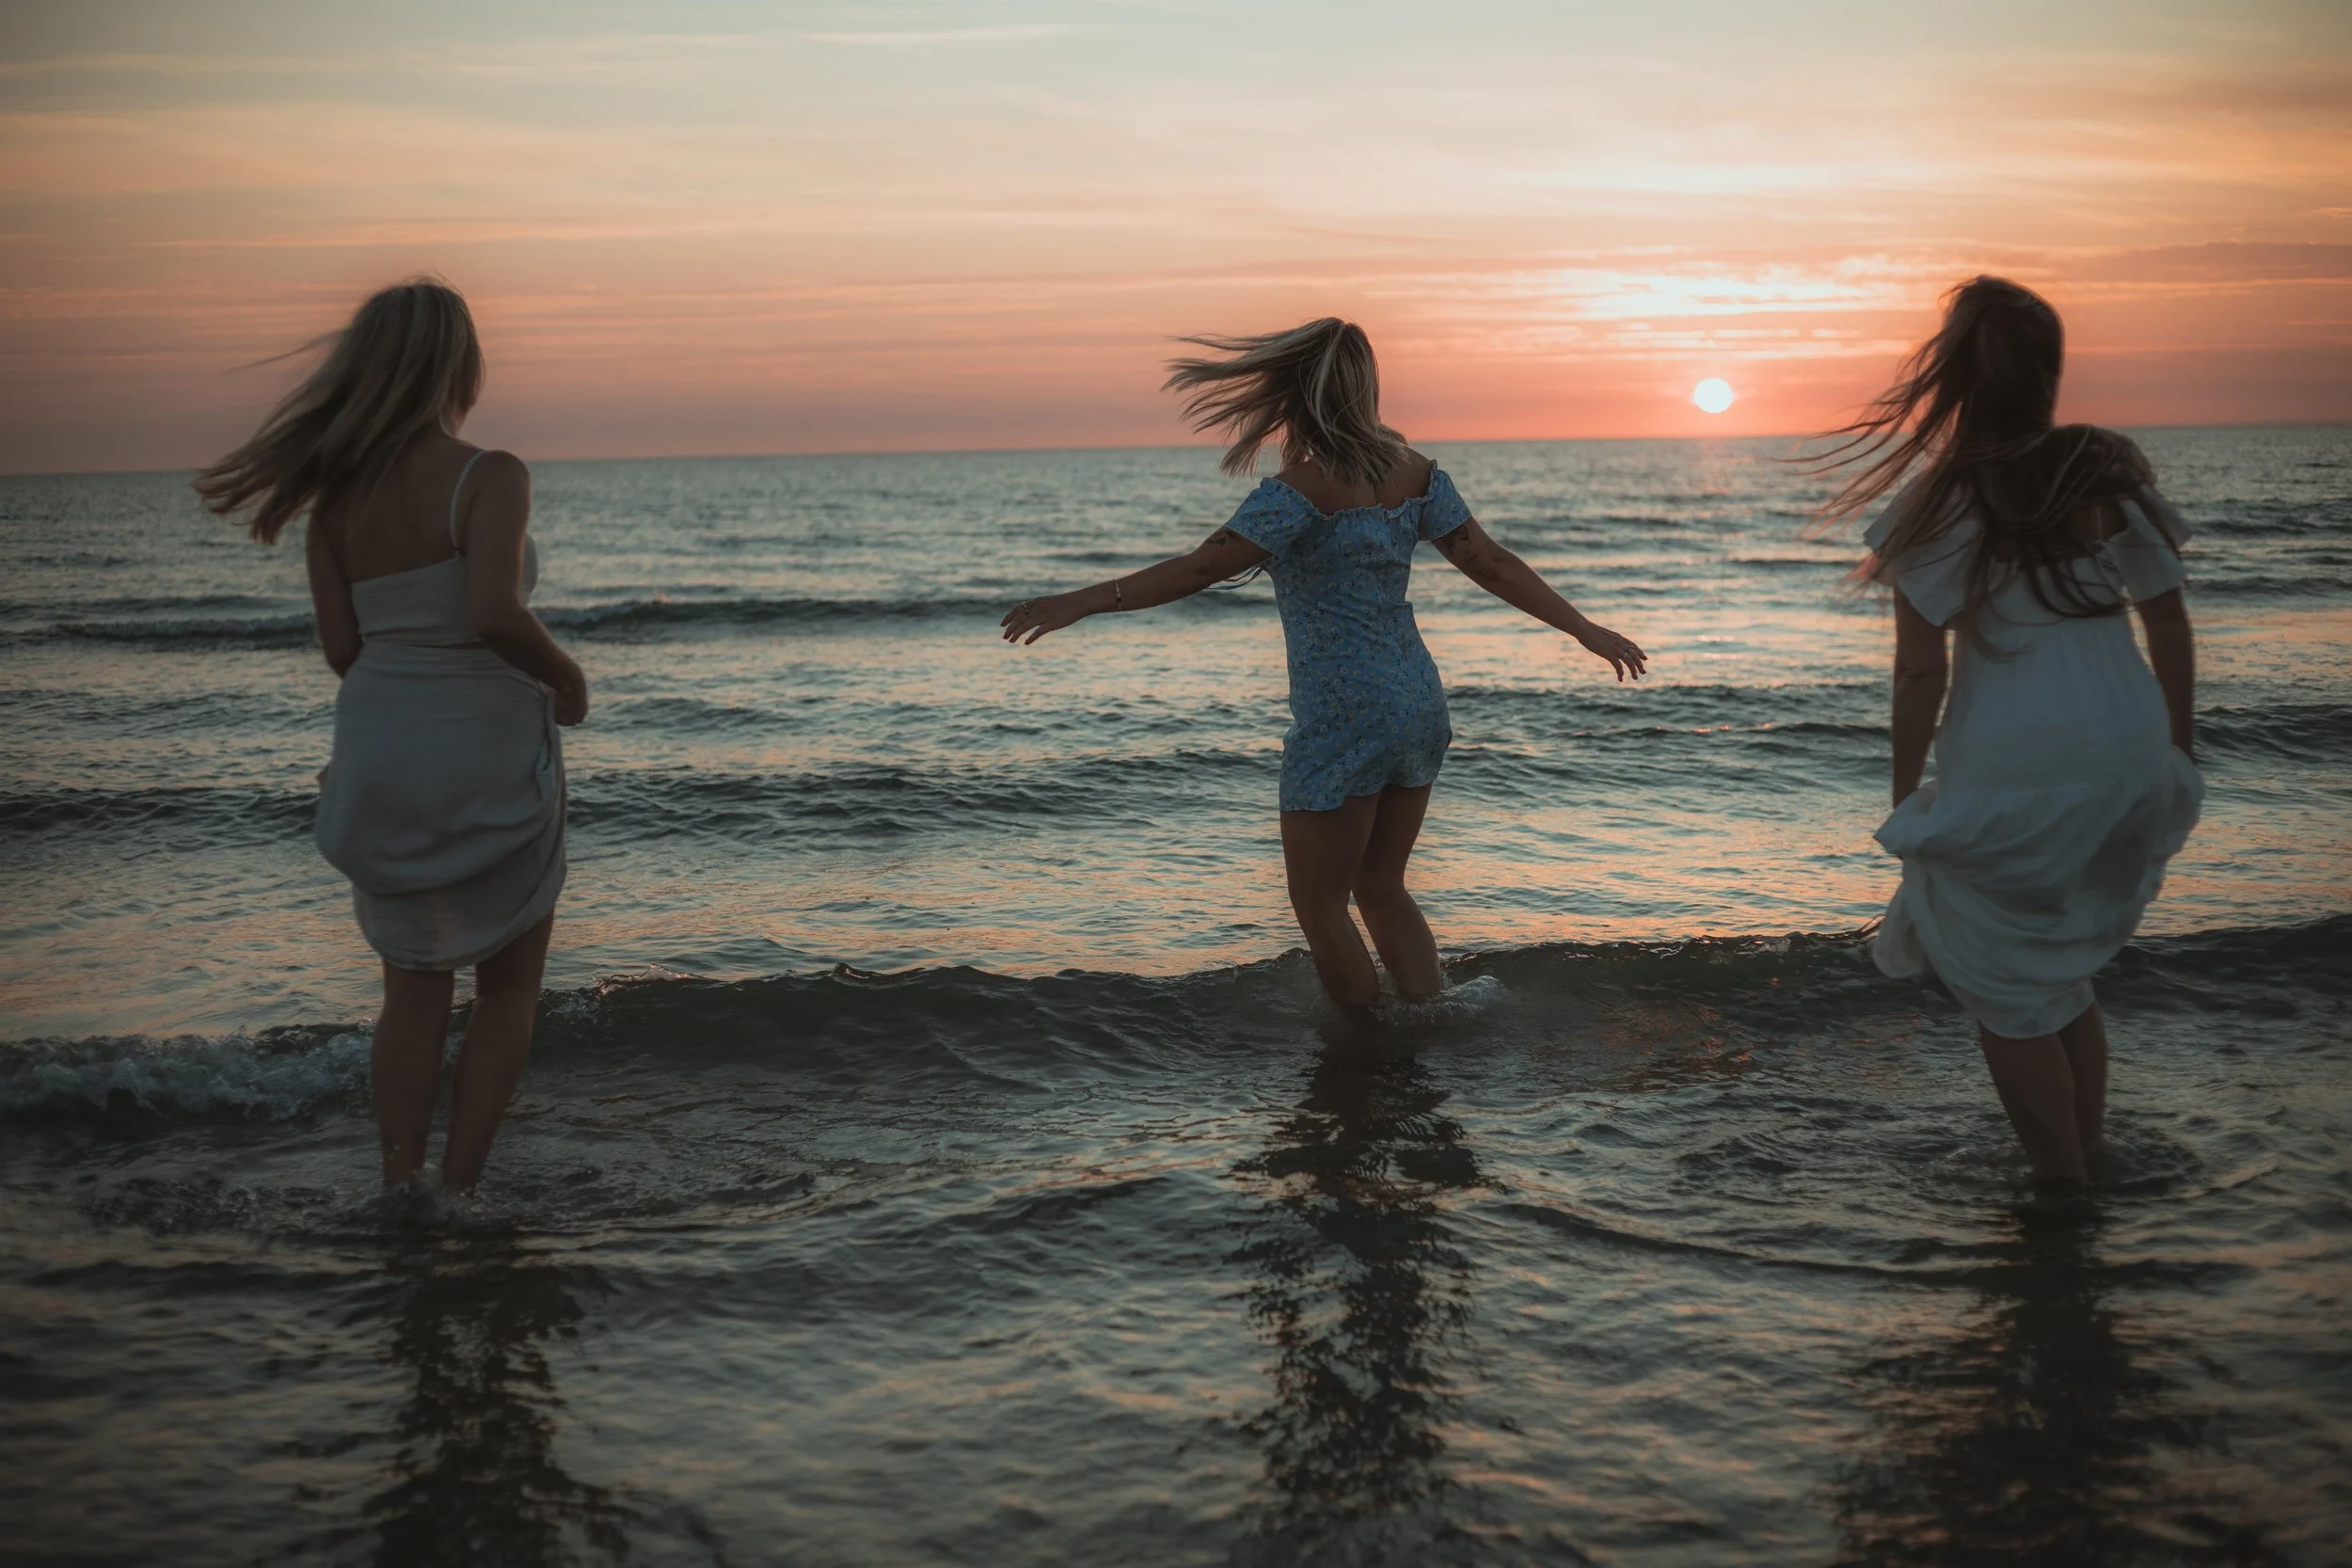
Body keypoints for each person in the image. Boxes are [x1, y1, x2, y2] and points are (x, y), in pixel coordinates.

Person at [1001, 317, 1645, 1010]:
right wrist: (1582, 627)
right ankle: (1431, 1023)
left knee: (1318, 903)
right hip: (1417, 703)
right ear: (1365, 387)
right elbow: (1489, 563)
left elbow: (1200, 569)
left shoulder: (1297, 492)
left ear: (1295, 395)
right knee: (1382, 885)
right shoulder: (1419, 475)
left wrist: (1083, 600)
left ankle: (1367, 1051)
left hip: (1344, 711)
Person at [196, 278, 586, 1196]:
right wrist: (567, 678)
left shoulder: (335, 502)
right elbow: (493, 610)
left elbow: (343, 650)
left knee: (410, 995)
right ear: (459, 365)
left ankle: (399, 1186)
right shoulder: (490, 474)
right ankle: (457, 1193)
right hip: (484, 756)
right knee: (506, 990)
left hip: (380, 756)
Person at [1816, 276, 2202, 1183]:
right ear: (2047, 371)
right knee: (2056, 971)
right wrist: (2177, 750)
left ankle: (2061, 1195)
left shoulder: (1936, 501)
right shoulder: (2104, 472)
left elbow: (1920, 672)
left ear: (1955, 378)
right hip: (2130, 749)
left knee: (2003, 985)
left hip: (2018, 760)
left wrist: (1906, 792)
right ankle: (2089, 1158)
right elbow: (2169, 621)